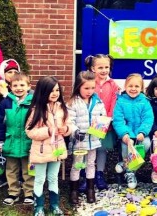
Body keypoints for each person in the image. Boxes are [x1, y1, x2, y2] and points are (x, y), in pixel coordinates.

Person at [26, 76, 72, 216]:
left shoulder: (62, 108)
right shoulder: (36, 109)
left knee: (53, 177)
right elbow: (30, 131)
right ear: (42, 92)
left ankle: (54, 205)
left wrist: (66, 130)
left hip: (56, 150)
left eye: (57, 90)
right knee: (40, 178)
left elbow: (69, 124)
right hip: (41, 151)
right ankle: (38, 207)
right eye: (51, 91)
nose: (55, 93)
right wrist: (48, 131)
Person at [0, 72, 34, 205]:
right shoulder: (6, 103)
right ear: (10, 87)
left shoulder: (33, 103)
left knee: (29, 169)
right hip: (10, 142)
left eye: (22, 85)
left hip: (29, 142)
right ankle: (13, 192)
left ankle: (29, 192)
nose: (18, 88)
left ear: (28, 86)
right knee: (11, 169)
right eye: (15, 85)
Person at [68, 71, 106, 204]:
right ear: (79, 87)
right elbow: (69, 121)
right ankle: (74, 190)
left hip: (93, 140)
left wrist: (101, 127)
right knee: (77, 165)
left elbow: (103, 116)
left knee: (91, 164)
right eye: (86, 88)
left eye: (92, 88)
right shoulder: (73, 102)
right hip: (79, 141)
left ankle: (90, 189)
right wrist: (75, 131)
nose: (90, 91)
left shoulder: (98, 101)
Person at [113, 73, 154, 189]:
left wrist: (142, 132)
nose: (133, 89)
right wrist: (125, 135)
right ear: (125, 86)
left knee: (146, 143)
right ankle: (130, 172)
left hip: (140, 134)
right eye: (130, 86)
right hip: (126, 134)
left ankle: (127, 166)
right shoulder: (120, 101)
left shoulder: (145, 102)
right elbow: (118, 120)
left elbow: (148, 119)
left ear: (141, 88)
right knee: (127, 146)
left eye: (137, 86)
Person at [85, 54, 120, 190]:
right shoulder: (89, 83)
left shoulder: (113, 85)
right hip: (89, 122)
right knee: (88, 148)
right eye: (100, 67)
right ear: (93, 68)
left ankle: (99, 173)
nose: (104, 70)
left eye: (106, 67)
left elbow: (114, 103)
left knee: (101, 149)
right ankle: (87, 174)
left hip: (105, 123)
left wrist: (108, 119)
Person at [0, 59, 20, 189]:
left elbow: (18, 104)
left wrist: (7, 94)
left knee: (14, 152)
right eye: (9, 72)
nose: (12, 74)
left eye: (15, 71)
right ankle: (0, 177)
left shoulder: (19, 87)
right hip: (0, 126)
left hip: (14, 126)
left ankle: (17, 177)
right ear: (3, 74)